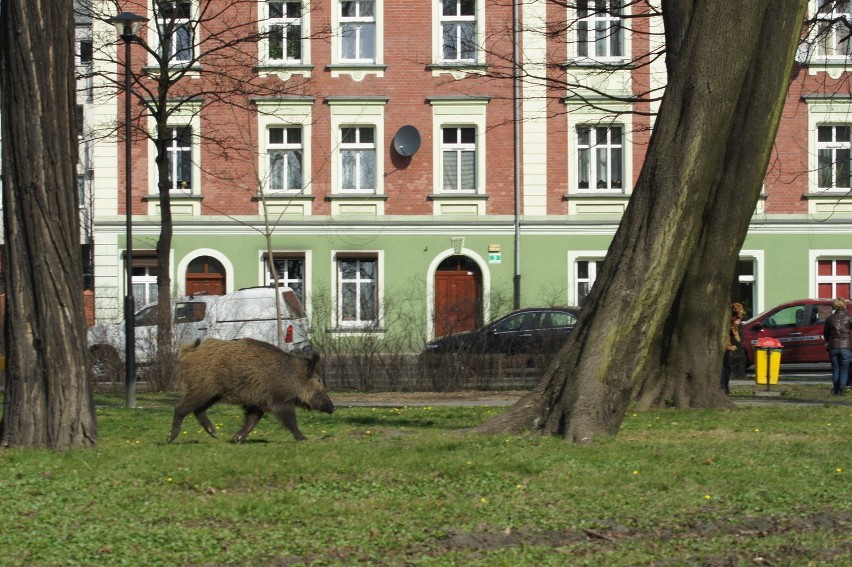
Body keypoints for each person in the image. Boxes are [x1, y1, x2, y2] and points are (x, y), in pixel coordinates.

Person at [823, 297, 852, 396]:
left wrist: (828, 341)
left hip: (833, 346)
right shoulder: (849, 317)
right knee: (844, 369)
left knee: (836, 369)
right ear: (844, 305)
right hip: (846, 346)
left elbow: (826, 334)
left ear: (834, 306)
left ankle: (836, 391)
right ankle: (843, 385)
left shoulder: (829, 318)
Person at [721, 302, 747, 395]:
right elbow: (733, 329)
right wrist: (736, 337)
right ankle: (724, 388)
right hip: (725, 345)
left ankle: (725, 388)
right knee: (725, 367)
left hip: (728, 344)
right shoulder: (732, 319)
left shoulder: (736, 319)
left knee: (727, 367)